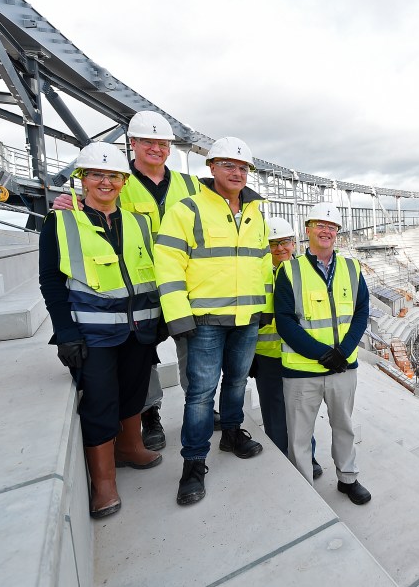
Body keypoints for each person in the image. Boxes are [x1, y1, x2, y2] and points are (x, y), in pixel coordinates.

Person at [52, 111, 202, 451]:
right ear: (131, 143)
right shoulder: (117, 178)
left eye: (162, 143)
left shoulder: (190, 185)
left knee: (192, 351)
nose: (155, 148)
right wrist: (71, 202)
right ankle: (149, 415)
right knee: (143, 355)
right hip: (140, 285)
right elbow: (97, 203)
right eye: (147, 141)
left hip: (183, 283)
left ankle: (199, 408)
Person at [38, 142, 162, 519]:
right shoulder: (61, 222)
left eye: (113, 176)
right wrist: (66, 332)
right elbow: (51, 283)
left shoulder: (140, 222)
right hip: (93, 333)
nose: (105, 182)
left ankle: (130, 447)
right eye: (97, 175)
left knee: (134, 392)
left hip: (140, 328)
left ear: (124, 182)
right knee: (99, 401)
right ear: (82, 179)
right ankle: (104, 482)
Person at [155, 136, 271, 506]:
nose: (237, 173)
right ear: (212, 168)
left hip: (247, 316)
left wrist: (264, 304)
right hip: (203, 319)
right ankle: (193, 463)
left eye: (243, 168)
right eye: (228, 166)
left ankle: (232, 433)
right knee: (201, 394)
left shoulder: (256, 213)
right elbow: (169, 264)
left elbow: (263, 261)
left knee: (237, 381)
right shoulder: (187, 209)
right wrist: (178, 315)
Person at [274, 202, 372, 505]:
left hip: (343, 368)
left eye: (331, 226)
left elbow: (360, 312)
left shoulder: (352, 267)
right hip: (302, 372)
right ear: (308, 229)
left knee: (344, 426)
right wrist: (321, 354)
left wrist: (343, 351)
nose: (326, 230)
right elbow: (285, 321)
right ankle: (306, 492)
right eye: (319, 224)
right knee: (300, 435)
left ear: (337, 232)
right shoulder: (290, 270)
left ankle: (348, 478)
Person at [254, 216, 323, 479]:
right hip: (268, 356)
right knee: (274, 413)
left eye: (284, 242)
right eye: (273, 244)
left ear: (293, 243)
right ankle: (282, 459)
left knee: (302, 411)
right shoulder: (258, 275)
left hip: (297, 354)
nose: (280, 248)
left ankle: (309, 457)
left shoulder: (303, 271)